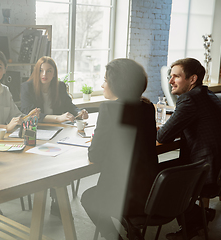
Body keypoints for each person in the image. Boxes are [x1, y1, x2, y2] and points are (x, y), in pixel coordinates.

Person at [81, 58, 159, 240]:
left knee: (88, 197)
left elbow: (95, 155)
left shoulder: (108, 108)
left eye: (106, 80)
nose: (102, 85)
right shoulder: (148, 107)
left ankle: (114, 237)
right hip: (150, 191)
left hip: (124, 195)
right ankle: (130, 227)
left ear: (118, 83)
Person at [157, 58, 221, 240]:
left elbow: (163, 137)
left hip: (206, 171)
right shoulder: (208, 95)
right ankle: (198, 218)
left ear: (192, 79)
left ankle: (194, 220)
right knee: (164, 170)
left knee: (158, 176)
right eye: (170, 76)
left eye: (176, 76)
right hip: (219, 169)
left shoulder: (189, 99)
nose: (170, 81)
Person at [21, 56, 88, 123]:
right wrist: (58, 118)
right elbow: (29, 114)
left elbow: (69, 106)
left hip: (57, 127)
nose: (44, 74)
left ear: (54, 74)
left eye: (49, 71)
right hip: (37, 128)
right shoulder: (27, 87)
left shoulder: (60, 86)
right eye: (41, 70)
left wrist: (79, 113)